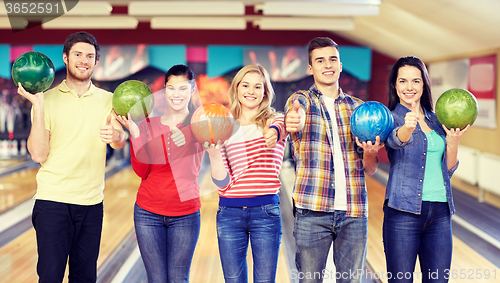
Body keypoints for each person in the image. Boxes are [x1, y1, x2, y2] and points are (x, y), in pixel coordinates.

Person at [17, 31, 126, 282]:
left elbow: (120, 142)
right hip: (52, 201)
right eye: (78, 54)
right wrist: (39, 106)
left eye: (90, 56)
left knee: (85, 277)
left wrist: (117, 137)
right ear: (65, 58)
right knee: (50, 276)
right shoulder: (46, 98)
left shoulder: (109, 100)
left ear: (96, 62)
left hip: (91, 203)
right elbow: (38, 154)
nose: (84, 60)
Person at [284, 37, 383, 283]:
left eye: (332, 59)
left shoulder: (359, 109)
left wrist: (370, 152)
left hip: (353, 211)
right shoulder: (301, 100)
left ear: (340, 65)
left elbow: (369, 169)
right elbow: (297, 113)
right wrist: (295, 119)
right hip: (312, 210)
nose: (327, 65)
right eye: (319, 60)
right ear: (310, 68)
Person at [115, 65, 206, 283]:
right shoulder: (148, 125)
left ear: (192, 90)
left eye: (183, 88)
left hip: (185, 214)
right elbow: (142, 171)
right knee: (156, 279)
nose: (177, 94)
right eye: (171, 88)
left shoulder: (200, 124)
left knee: (178, 279)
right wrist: (136, 134)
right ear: (165, 91)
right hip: (148, 213)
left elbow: (191, 167)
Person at [383, 56, 469, 282]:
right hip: (403, 212)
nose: (409, 87)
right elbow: (393, 142)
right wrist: (407, 128)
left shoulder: (435, 120)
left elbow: (447, 170)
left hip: (440, 213)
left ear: (424, 85)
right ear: (395, 85)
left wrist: (453, 141)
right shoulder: (390, 118)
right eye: (403, 81)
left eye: (416, 81)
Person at [206, 64, 287, 282]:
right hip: (229, 213)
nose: (251, 91)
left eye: (257, 87)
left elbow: (282, 127)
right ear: (236, 89)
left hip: (266, 213)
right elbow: (223, 184)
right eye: (245, 85)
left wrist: (273, 133)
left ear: (265, 92)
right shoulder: (224, 127)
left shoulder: (275, 121)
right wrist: (213, 155)